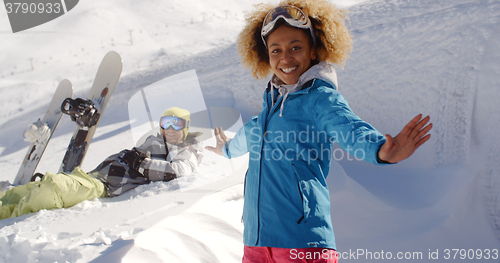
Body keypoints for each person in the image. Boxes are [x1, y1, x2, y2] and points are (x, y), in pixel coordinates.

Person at [205, 1, 433, 262]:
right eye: (276, 50)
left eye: (296, 47)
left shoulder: (319, 99)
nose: (285, 57)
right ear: (266, 57)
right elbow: (244, 139)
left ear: (313, 51)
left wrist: (380, 150)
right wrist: (224, 147)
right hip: (255, 244)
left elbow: (348, 127)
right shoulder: (268, 111)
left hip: (302, 245)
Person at [0, 107, 203, 220]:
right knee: (30, 189)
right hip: (93, 175)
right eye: (165, 123)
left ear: (186, 126)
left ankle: (10, 217)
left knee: (53, 187)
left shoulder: (188, 149)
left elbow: (179, 171)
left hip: (104, 186)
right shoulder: (156, 141)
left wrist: (141, 164)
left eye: (176, 124)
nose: (170, 129)